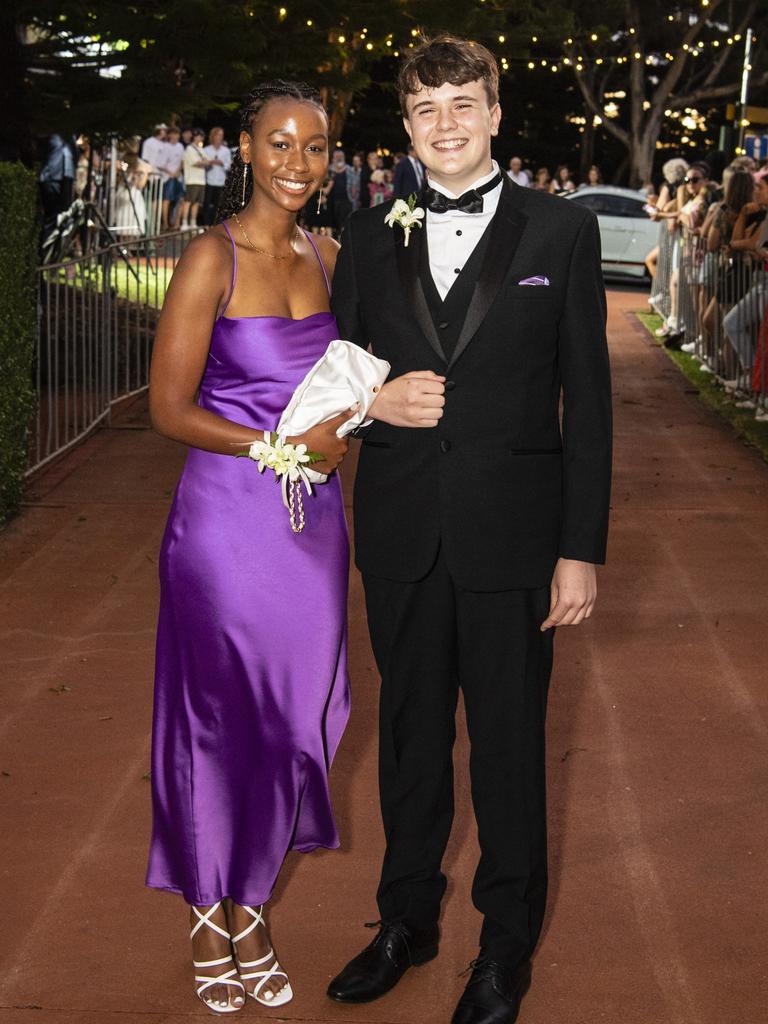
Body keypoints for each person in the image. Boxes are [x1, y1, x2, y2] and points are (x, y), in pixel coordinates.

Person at [328, 33, 611, 1024]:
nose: (445, 124)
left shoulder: (562, 233)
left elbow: (590, 400)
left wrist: (580, 549)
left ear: (495, 113)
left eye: (463, 103)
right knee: (409, 741)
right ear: (406, 126)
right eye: (425, 109)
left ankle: (505, 945)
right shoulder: (365, 237)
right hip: (403, 532)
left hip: (516, 543)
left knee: (507, 749)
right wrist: (376, 408)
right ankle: (404, 918)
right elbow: (338, 384)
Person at [146, 79, 351, 1015]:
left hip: (312, 531)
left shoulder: (328, 252)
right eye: (279, 143)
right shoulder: (208, 257)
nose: (297, 163)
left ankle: (253, 894)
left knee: (295, 716)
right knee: (217, 716)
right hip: (227, 525)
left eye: (314, 147)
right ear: (244, 147)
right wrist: (272, 447)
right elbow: (169, 409)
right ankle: (210, 907)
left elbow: (341, 382)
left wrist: (349, 422)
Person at [39, 133, 75, 240]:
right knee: (52, 215)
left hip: (66, 175)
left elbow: (75, 154)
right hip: (52, 176)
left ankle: (56, 247)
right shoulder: (52, 135)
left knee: (64, 214)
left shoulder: (70, 137)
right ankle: (46, 248)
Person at [202, 127, 232, 225]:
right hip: (209, 180)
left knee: (218, 205)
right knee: (207, 203)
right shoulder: (206, 150)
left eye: (221, 135)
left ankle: (216, 224)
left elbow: (229, 166)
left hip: (220, 181)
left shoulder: (226, 151)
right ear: (213, 136)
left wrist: (221, 163)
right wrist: (209, 163)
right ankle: (205, 224)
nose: (219, 137)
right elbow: (202, 165)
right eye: (218, 135)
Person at [180, 128, 207, 228]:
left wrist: (204, 162)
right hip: (191, 179)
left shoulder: (201, 149)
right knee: (188, 201)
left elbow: (206, 161)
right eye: (199, 136)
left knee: (196, 203)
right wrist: (204, 162)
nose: (200, 138)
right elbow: (196, 162)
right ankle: (184, 223)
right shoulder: (189, 149)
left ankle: (193, 222)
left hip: (201, 180)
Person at [161, 125, 185, 230]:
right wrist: (170, 173)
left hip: (178, 177)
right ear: (169, 135)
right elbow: (161, 163)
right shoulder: (165, 146)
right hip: (168, 177)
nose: (175, 136)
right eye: (174, 134)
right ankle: (165, 223)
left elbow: (182, 161)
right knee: (167, 200)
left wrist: (177, 171)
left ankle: (177, 223)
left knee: (180, 200)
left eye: (177, 134)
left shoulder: (180, 146)